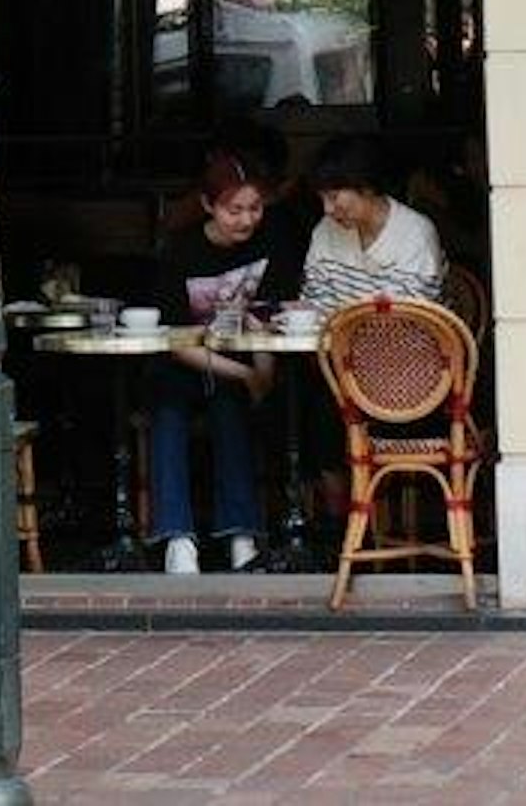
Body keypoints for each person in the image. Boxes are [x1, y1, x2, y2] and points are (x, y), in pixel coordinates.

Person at [150, 153, 296, 574]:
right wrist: (246, 374)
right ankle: (178, 539)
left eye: (255, 208)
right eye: (235, 210)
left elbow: (270, 320)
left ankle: (242, 536)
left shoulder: (272, 246)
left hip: (244, 361)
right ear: (208, 205)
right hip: (188, 363)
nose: (246, 220)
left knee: (230, 410)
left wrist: (262, 370)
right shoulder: (181, 252)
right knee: (169, 411)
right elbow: (175, 342)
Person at [297, 137, 447, 312]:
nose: (327, 209)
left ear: (366, 186)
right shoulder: (325, 230)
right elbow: (314, 305)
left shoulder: (415, 233)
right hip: (339, 337)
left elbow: (410, 318)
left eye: (333, 197)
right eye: (321, 198)